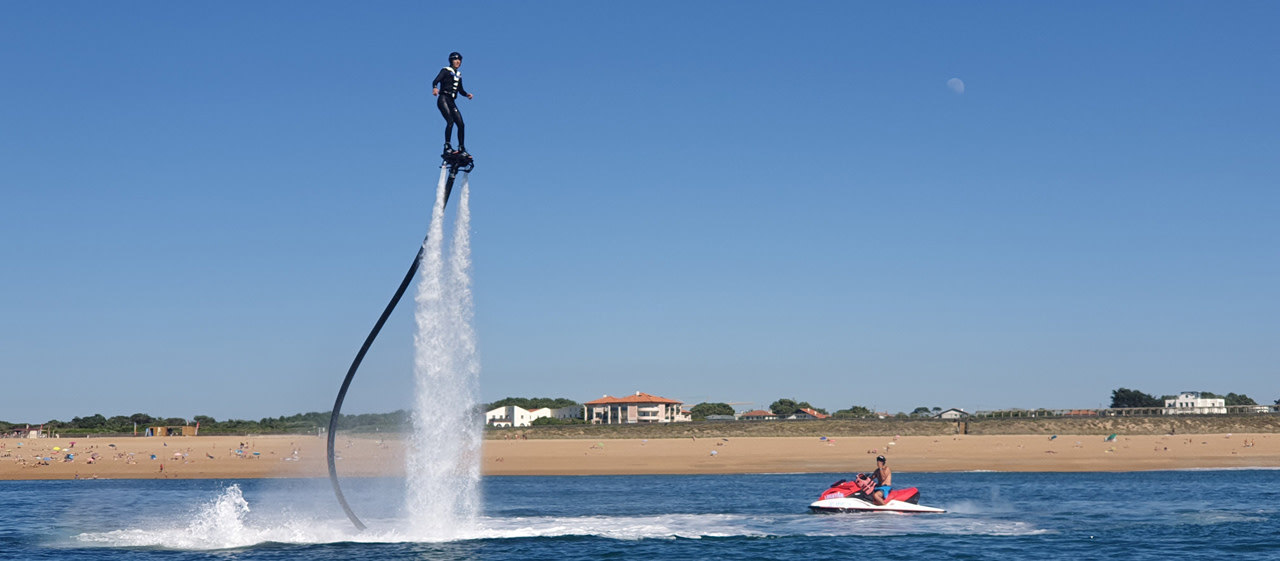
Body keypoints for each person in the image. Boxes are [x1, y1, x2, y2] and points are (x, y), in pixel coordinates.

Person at [432, 51, 473, 157]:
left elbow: (460, 90)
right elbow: (436, 80)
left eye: (459, 60)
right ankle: (447, 145)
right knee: (450, 121)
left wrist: (467, 94)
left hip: (451, 101)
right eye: (456, 59)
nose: (458, 62)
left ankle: (461, 147)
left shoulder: (459, 75)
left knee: (461, 124)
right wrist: (435, 88)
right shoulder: (445, 70)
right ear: (451, 60)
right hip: (443, 98)